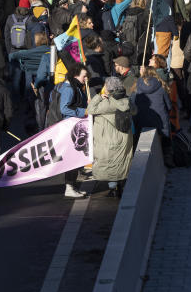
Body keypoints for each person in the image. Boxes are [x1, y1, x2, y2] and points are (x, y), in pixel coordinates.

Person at [88, 76, 134, 197]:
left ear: (108, 89)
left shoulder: (107, 103)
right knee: (121, 160)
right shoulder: (127, 100)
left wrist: (98, 96)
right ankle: (120, 185)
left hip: (108, 137)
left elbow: (90, 109)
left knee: (110, 162)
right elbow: (135, 110)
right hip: (124, 137)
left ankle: (113, 188)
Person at [55, 64, 91, 197]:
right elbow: (64, 108)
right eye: (84, 76)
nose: (86, 79)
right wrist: (83, 111)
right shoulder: (69, 88)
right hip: (69, 128)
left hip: (73, 127)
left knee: (75, 158)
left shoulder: (75, 87)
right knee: (72, 159)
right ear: (76, 75)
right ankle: (69, 187)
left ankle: (72, 186)